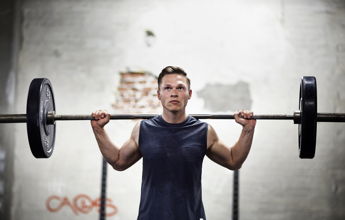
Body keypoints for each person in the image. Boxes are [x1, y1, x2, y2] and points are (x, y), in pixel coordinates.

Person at [91, 66, 256, 220]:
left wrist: (247, 130)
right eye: (167, 88)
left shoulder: (203, 131)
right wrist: (99, 130)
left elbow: (234, 160)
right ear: (159, 94)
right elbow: (119, 161)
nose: (174, 93)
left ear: (189, 94)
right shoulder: (143, 129)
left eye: (180, 88)